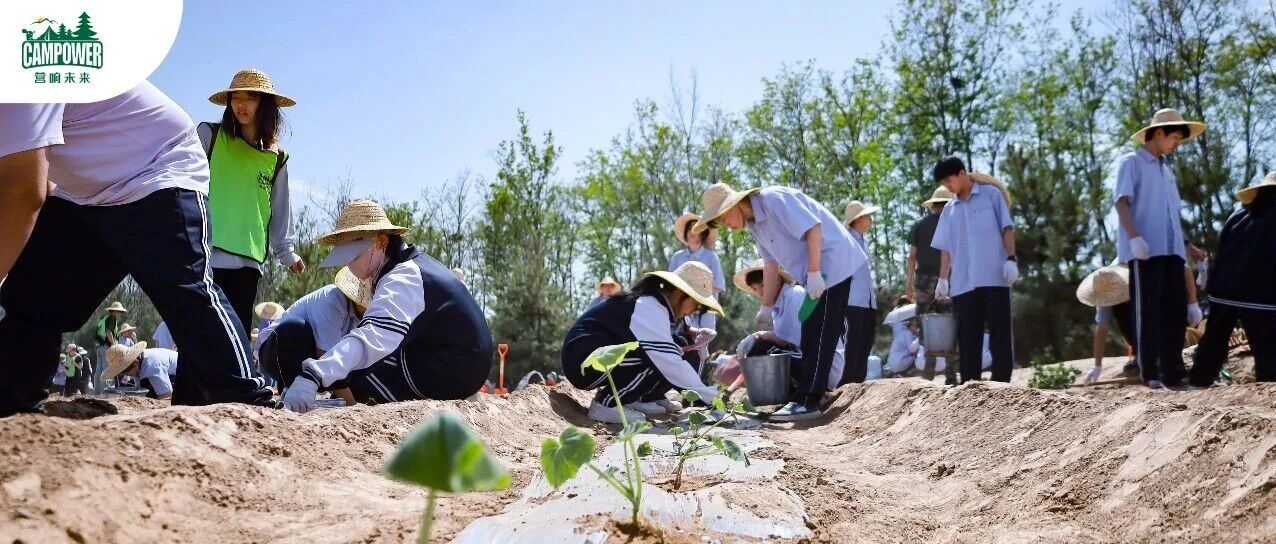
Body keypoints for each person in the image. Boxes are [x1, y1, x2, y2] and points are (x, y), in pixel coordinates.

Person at [0, 82, 276, 416]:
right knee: (33, 296)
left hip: (156, 167)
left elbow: (23, 192)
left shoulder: (23, 70)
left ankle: (247, 400)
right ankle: (11, 401)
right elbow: (35, 180)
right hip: (83, 191)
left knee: (184, 288)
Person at [280, 200, 494, 412]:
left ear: (381, 242)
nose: (348, 264)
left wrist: (313, 375)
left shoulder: (403, 278)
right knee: (357, 365)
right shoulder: (415, 267)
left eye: (353, 255)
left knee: (361, 372)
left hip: (454, 369)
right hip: (460, 363)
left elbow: (372, 337)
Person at [693, 183, 867, 421]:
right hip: (813, 276)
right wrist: (765, 307)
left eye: (724, 219)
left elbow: (813, 228)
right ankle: (809, 395)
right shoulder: (755, 225)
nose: (728, 227)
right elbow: (770, 265)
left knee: (823, 330)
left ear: (734, 205)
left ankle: (809, 401)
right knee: (810, 331)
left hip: (831, 264)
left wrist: (815, 272)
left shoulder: (774, 199)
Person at [201, 69, 305, 332]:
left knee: (237, 340)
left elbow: (279, 209)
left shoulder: (277, 158)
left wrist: (287, 253)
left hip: (249, 264)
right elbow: (182, 187)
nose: (241, 104)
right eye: (235, 97)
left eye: (250, 97)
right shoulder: (209, 136)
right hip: (207, 258)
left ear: (266, 105)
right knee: (202, 340)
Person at [562, 262, 722, 423]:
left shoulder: (656, 304)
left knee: (677, 345)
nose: (694, 311)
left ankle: (641, 398)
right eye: (696, 304)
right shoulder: (649, 306)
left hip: (595, 357)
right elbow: (669, 361)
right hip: (582, 362)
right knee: (659, 356)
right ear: (680, 292)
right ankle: (606, 404)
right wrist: (714, 401)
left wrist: (693, 338)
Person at [1115, 108, 1207, 389]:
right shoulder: (1131, 162)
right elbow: (1121, 202)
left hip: (1171, 251)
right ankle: (1150, 372)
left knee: (1174, 312)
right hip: (1146, 250)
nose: (1176, 144)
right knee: (1149, 312)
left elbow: (1171, 214)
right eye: (1174, 138)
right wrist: (1134, 238)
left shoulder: (1166, 170)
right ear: (1158, 134)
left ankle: (1174, 371)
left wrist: (1188, 246)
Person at [930, 156, 1017, 384]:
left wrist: (1011, 258)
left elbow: (1007, 228)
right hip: (963, 282)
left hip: (994, 276)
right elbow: (945, 248)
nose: (948, 187)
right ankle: (970, 383)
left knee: (999, 332)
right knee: (968, 336)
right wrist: (942, 279)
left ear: (962, 173)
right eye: (944, 184)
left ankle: (1002, 382)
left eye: (949, 181)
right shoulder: (949, 209)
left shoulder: (991, 196)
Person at [1189, 172, 1276, 386]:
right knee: (1267, 349)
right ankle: (1268, 389)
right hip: (1261, 295)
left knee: (1213, 341)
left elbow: (1222, 250)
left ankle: (1197, 383)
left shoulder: (1237, 215)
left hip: (1224, 291)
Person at [259, 266, 370, 403]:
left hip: (309, 358)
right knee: (295, 328)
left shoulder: (365, 316)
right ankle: (291, 387)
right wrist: (352, 404)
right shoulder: (332, 299)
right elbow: (325, 357)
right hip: (273, 353)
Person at [732, 260, 847, 391]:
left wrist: (766, 336)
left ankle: (811, 393)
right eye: (755, 289)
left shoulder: (793, 297)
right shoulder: (778, 306)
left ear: (777, 279)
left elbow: (800, 344)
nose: (760, 293)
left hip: (824, 368)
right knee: (759, 347)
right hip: (810, 362)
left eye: (763, 285)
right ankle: (786, 394)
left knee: (765, 349)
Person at [907, 187, 953, 379]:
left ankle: (928, 369)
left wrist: (908, 283)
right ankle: (951, 372)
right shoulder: (951, 222)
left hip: (924, 280)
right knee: (950, 323)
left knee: (925, 322)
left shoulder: (919, 225)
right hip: (948, 278)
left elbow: (912, 257)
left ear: (933, 204)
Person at [669, 214, 726, 366]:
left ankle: (703, 374)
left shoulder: (712, 257)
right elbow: (669, 284)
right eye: (689, 228)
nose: (691, 231)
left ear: (703, 233)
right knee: (681, 339)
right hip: (681, 307)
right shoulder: (677, 257)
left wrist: (697, 295)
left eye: (696, 228)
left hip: (706, 306)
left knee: (703, 341)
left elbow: (718, 285)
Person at [1076, 264, 1138, 385]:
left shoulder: (1135, 279)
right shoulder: (1105, 292)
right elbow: (1102, 328)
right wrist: (1097, 366)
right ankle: (1139, 355)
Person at [841, 201, 880, 385]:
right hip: (852, 299)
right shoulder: (847, 240)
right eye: (867, 216)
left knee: (866, 339)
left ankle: (859, 379)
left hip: (868, 299)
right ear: (857, 220)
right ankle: (847, 380)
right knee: (854, 340)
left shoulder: (864, 241)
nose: (870, 220)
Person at [103, 342, 179, 400]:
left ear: (135, 363)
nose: (127, 376)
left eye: (126, 372)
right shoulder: (141, 360)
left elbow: (167, 396)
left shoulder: (152, 367)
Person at [92, 301, 128, 392]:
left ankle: (97, 391)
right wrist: (113, 344)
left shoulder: (103, 319)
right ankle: (105, 392)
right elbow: (108, 331)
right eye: (119, 312)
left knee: (99, 370)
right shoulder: (112, 318)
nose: (120, 314)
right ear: (114, 311)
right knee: (107, 369)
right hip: (107, 346)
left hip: (99, 346)